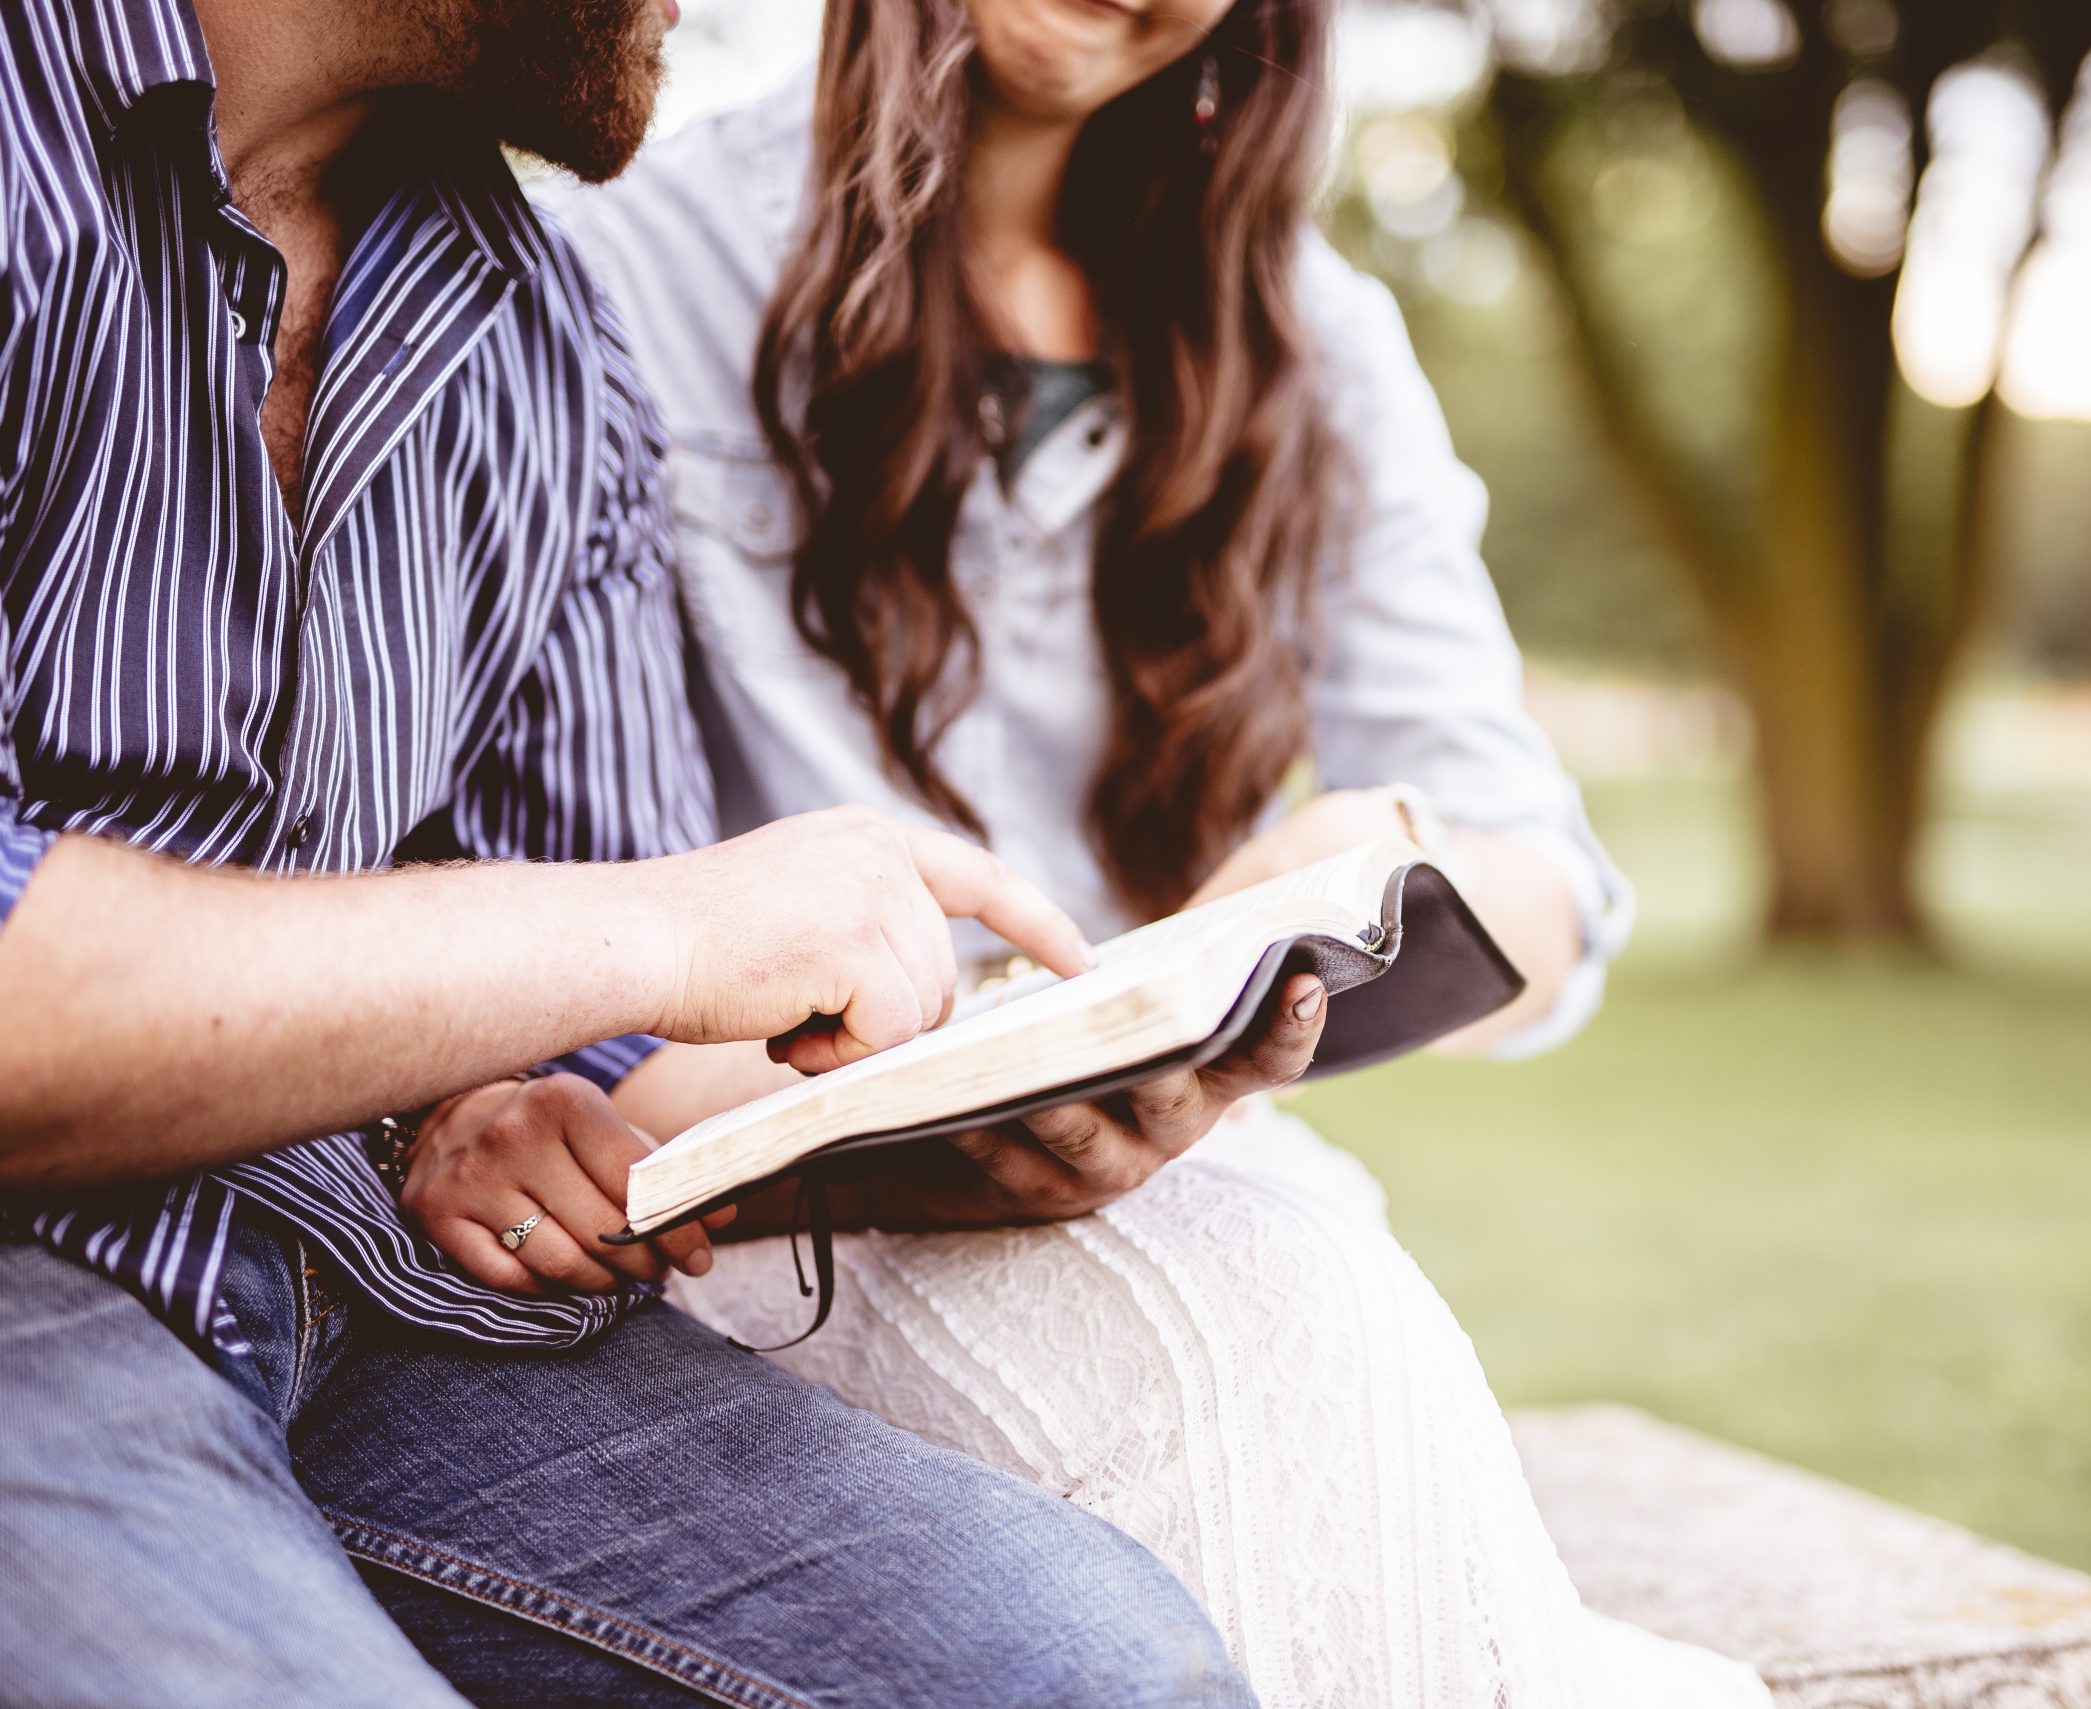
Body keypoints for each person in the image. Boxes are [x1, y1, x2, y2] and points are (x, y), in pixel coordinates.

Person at [0, 0, 1298, 1702]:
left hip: (366, 1284)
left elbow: (600, 1050)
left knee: (1097, 1673)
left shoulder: (541, 341)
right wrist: (652, 930)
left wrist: (933, 1123)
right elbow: (626, 937)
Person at [537, 0, 1773, 1701]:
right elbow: (553, 954)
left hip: (1187, 1168)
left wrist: (1333, 883)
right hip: (764, 1207)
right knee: (1268, 1363)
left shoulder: (1316, 337)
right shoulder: (616, 259)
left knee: (1297, 1298)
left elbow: (1549, 880)